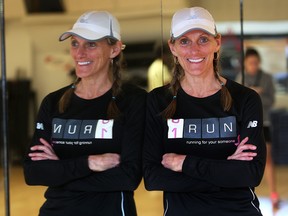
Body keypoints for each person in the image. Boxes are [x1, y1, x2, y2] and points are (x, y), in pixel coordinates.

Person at [143, 7, 266, 216]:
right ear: (172, 47)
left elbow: (251, 174)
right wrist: (225, 171)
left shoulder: (245, 99)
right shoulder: (158, 101)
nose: (194, 50)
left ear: (217, 42)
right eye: (184, 41)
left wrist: (184, 163)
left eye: (202, 39)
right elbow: (153, 177)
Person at [23, 11, 146, 216]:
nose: (79, 54)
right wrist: (90, 163)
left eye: (91, 44)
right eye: (74, 43)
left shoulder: (134, 101)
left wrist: (61, 170)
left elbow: (128, 177)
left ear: (114, 49)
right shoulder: (53, 102)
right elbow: (33, 172)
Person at [236, 47, 279, 210]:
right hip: (246, 125)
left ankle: (273, 193)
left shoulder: (266, 78)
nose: (253, 66)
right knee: (244, 158)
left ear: (259, 63)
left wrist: (258, 96)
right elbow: (237, 103)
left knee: (268, 159)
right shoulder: (241, 77)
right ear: (245, 64)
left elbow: (272, 100)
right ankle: (244, 194)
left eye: (255, 63)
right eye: (250, 63)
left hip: (265, 122)